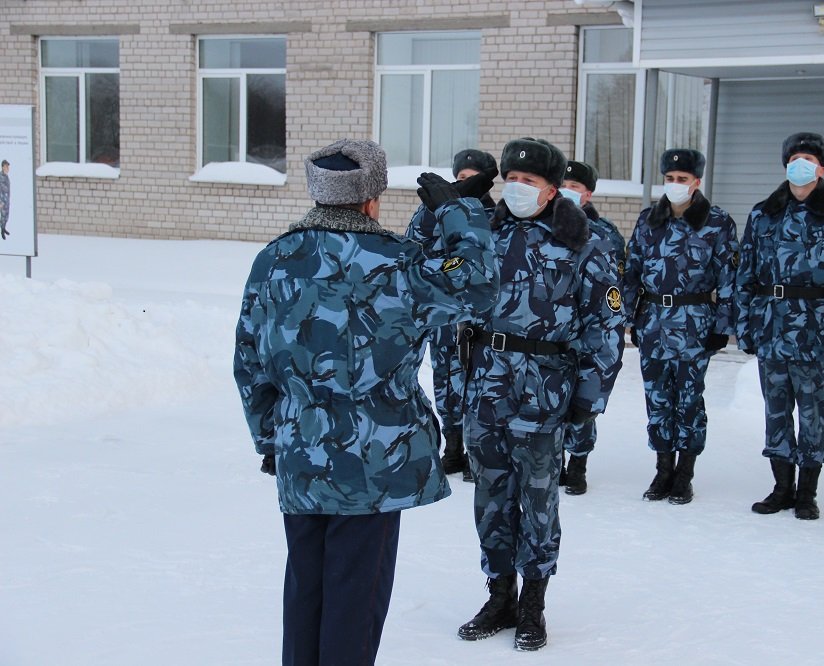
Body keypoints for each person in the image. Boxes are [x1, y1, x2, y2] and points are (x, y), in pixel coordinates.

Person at [233, 139, 498, 666]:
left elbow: (249, 359)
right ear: (372, 199)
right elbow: (479, 285)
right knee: (356, 599)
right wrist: (458, 211)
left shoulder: (274, 259)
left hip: (301, 453)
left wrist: (271, 438)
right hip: (374, 463)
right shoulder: (398, 264)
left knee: (305, 589)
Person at [457, 137, 624, 651]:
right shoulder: (481, 233)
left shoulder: (584, 242)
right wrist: (450, 210)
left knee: (537, 500)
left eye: (530, 181)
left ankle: (533, 603)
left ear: (553, 190)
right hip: (486, 386)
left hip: (544, 391)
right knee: (491, 497)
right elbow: (434, 274)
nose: (518, 187)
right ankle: (498, 594)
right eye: (511, 178)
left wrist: (586, 401)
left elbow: (607, 326)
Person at [735, 132, 824, 520]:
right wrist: (745, 327)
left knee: (812, 410)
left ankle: (807, 492)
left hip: (817, 330)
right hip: (771, 326)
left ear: (822, 167)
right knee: (776, 410)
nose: (800, 164)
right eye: (795, 157)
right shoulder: (763, 214)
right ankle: (781, 487)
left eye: (809, 158)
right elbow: (745, 275)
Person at [622, 149, 738, 504]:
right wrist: (630, 318)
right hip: (654, 320)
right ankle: (662, 470)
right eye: (670, 179)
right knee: (657, 400)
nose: (675, 185)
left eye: (682, 180)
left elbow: (730, 279)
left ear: (697, 182)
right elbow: (631, 273)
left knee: (688, 400)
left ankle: (684, 474)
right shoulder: (648, 221)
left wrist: (723, 326)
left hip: (695, 323)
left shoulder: (716, 222)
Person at [405, 149, 498, 483]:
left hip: (477, 319)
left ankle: (476, 449)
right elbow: (413, 246)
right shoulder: (434, 212)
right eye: (459, 178)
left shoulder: (495, 215)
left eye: (471, 178)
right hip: (443, 317)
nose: (464, 184)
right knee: (444, 380)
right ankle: (453, 445)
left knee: (476, 381)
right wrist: (435, 212)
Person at [556, 159, 626, 495]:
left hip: (590, 327)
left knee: (584, 394)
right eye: (563, 185)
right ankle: (554, 460)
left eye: (575, 187)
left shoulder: (605, 234)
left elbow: (616, 285)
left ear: (588, 193)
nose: (568, 192)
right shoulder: (547, 226)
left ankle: (579, 462)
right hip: (556, 326)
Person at [1, 160, 10, 240]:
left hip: (6, 200)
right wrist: (1, 202)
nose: (8, 168)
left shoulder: (6, 176)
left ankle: (4, 228)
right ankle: (2, 231)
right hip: (3, 201)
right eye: (6, 166)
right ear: (3, 167)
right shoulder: (1, 177)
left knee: (6, 215)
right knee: (3, 216)